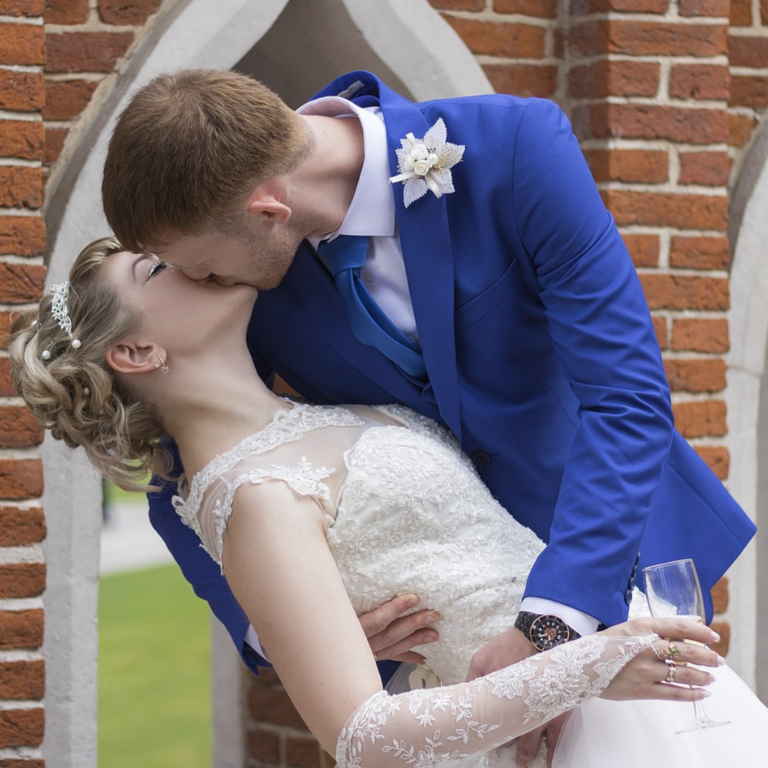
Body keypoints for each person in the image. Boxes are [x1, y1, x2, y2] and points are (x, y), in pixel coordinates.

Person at [100, 69, 756, 758]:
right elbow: (176, 465)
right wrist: (282, 627)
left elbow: (626, 398)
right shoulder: (250, 278)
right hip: (452, 660)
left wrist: (550, 633)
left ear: (269, 209)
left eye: (202, 267)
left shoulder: (517, 147)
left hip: (609, 569)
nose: (202, 284)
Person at [8, 238, 767, 766]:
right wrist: (587, 668)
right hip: (555, 727)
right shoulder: (252, 501)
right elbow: (361, 735)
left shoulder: (330, 404)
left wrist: (593, 652)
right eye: (152, 268)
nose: (182, 257)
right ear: (137, 353)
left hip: (626, 680)